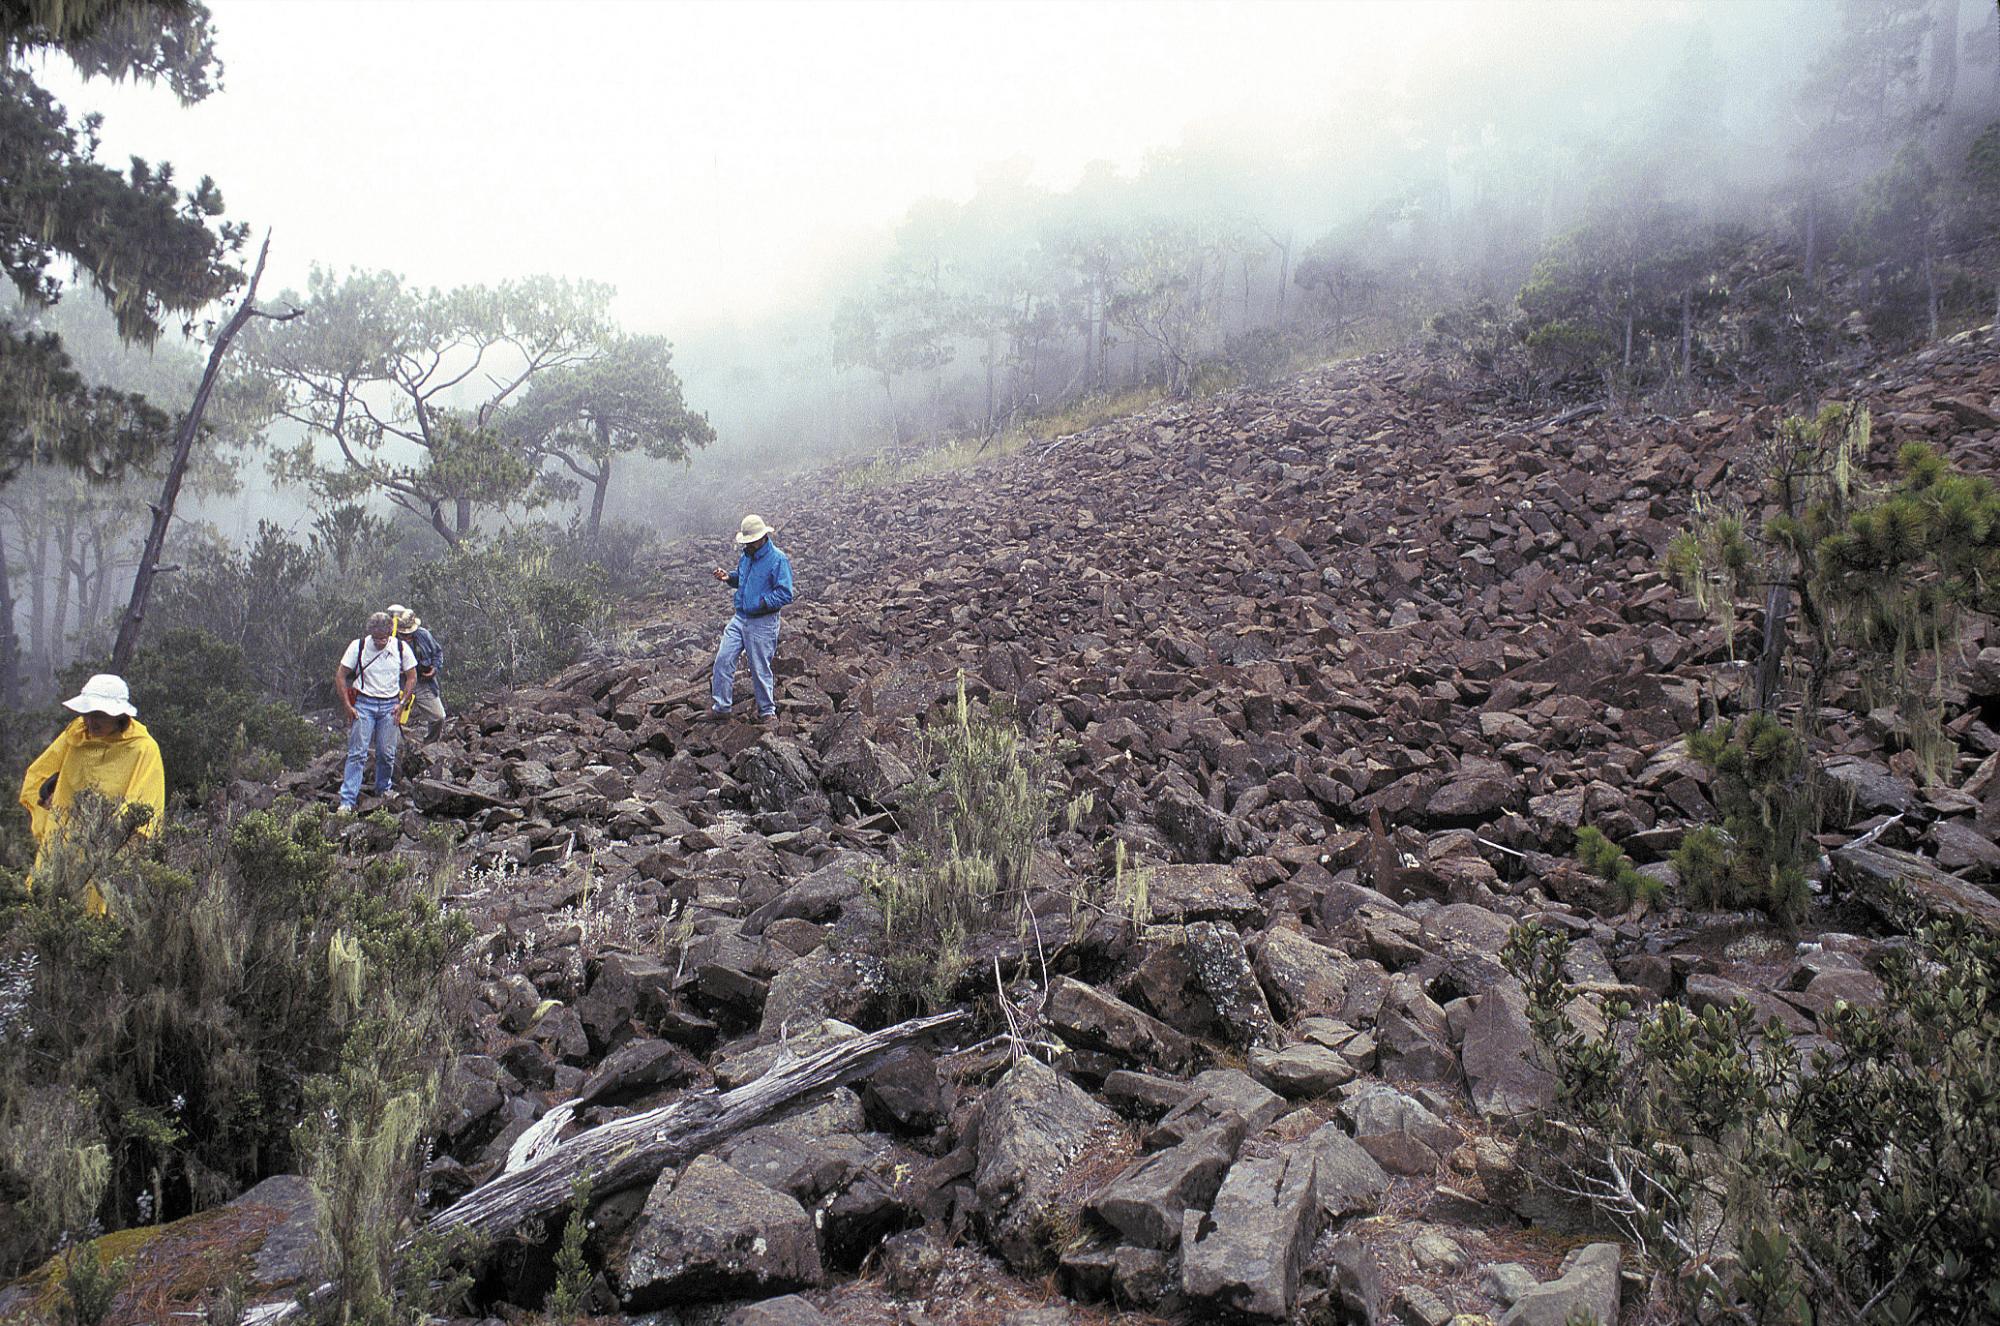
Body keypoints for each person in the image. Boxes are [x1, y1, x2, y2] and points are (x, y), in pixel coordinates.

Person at [18, 674, 167, 871]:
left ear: (120, 715)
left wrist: (111, 844)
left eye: (99, 714)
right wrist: (46, 795)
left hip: (106, 856)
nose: (90, 721)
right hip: (62, 844)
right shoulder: (76, 735)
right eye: (87, 712)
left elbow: (145, 807)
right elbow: (40, 774)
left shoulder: (142, 749)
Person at [708, 513, 794, 722]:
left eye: (751, 540)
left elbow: (785, 593)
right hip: (741, 618)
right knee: (723, 659)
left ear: (762, 537)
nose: (748, 544)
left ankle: (767, 713)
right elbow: (743, 579)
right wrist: (729, 577)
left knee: (759, 668)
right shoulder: (746, 555)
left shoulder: (778, 559)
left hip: (763, 622)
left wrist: (761, 603)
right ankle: (721, 708)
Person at [336, 611, 415, 812]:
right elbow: (341, 675)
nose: (380, 642)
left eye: (384, 638)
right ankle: (347, 800)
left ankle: (383, 790)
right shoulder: (358, 646)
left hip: (390, 705)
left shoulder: (400, 647)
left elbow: (411, 677)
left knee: (387, 753)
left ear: (390, 633)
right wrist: (347, 705)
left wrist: (402, 703)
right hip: (364, 703)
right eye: (377, 638)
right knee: (357, 753)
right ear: (370, 633)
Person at [387, 603, 446, 742]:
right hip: (400, 684)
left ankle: (429, 745)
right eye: (404, 634)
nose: (407, 636)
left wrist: (434, 668)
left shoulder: (423, 635)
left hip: (422, 682)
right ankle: (395, 750)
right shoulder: (390, 639)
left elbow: (437, 653)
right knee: (393, 718)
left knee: (439, 717)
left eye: (409, 633)